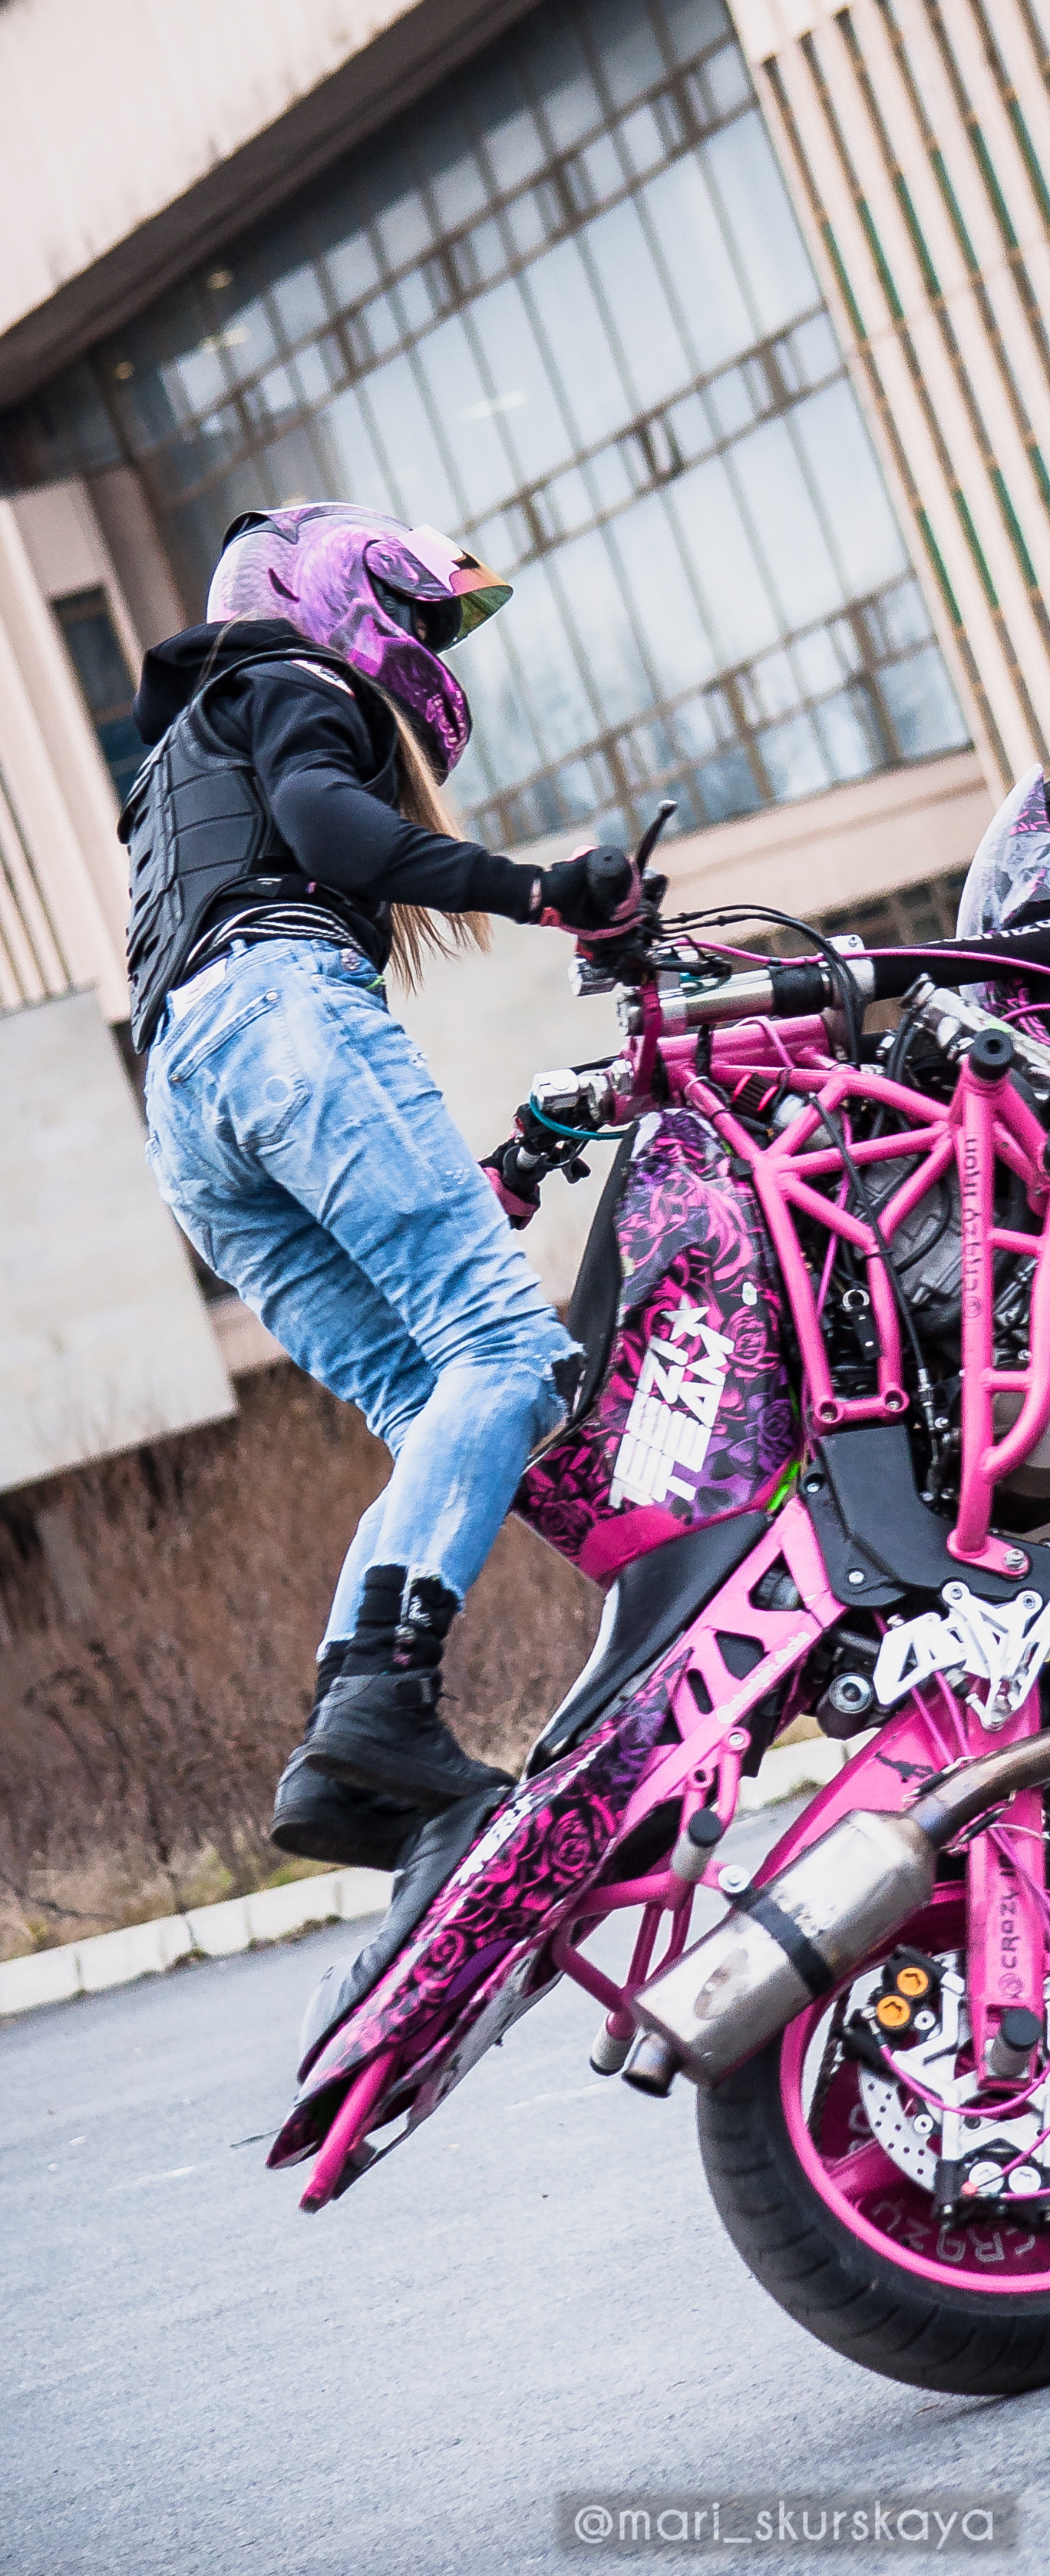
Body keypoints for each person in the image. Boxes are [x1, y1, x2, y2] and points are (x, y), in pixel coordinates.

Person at [124, 501, 639, 1875]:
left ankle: (349, 1748)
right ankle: (386, 1702)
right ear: (344, 592)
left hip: (185, 1105)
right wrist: (546, 893)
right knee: (506, 1350)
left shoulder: (181, 751)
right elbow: (329, 828)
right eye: (417, 616)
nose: (424, 649)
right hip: (278, 1007)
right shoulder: (292, 678)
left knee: (434, 1406)